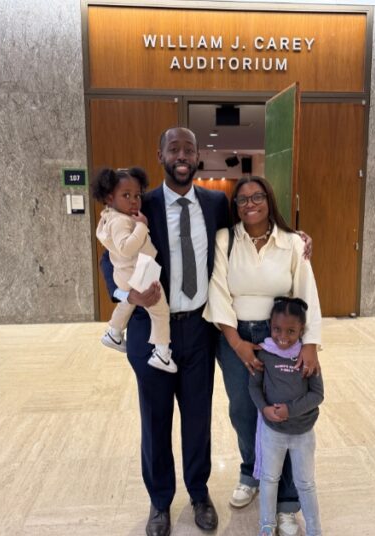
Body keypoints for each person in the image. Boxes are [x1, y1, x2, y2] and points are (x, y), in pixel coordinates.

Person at [100, 127, 229, 536]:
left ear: (198, 156)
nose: (182, 156)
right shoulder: (141, 203)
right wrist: (127, 294)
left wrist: (294, 238)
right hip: (151, 329)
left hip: (199, 330)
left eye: (189, 149)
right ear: (161, 156)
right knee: (155, 420)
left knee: (198, 418)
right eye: (174, 149)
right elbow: (109, 260)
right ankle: (159, 502)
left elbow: (244, 238)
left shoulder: (215, 204)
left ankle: (199, 493)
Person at [203, 176, 322, 536]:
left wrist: (310, 344)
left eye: (257, 197)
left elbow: (307, 292)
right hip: (235, 335)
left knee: (284, 414)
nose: (250, 204)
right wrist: (237, 343)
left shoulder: (292, 242)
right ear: (235, 206)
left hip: (281, 339)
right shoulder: (225, 240)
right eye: (242, 199)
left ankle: (287, 502)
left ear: (269, 200)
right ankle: (251, 473)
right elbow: (217, 292)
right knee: (243, 409)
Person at [250, 297, 324, 536]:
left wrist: (290, 410)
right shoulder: (264, 353)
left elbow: (317, 394)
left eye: (291, 331)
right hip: (273, 433)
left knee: (306, 483)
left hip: (303, 433)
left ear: (301, 330)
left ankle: (314, 529)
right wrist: (264, 409)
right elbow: (254, 387)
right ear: (270, 327)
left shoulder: (307, 356)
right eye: (277, 329)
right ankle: (266, 525)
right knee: (269, 479)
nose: (282, 336)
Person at [93, 167, 176, 373]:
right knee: (160, 310)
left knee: (127, 303)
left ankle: (113, 332)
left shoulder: (109, 218)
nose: (134, 201)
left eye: (137, 196)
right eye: (126, 195)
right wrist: (142, 226)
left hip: (127, 272)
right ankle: (162, 353)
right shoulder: (123, 220)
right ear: (109, 197)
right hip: (139, 270)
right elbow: (125, 248)